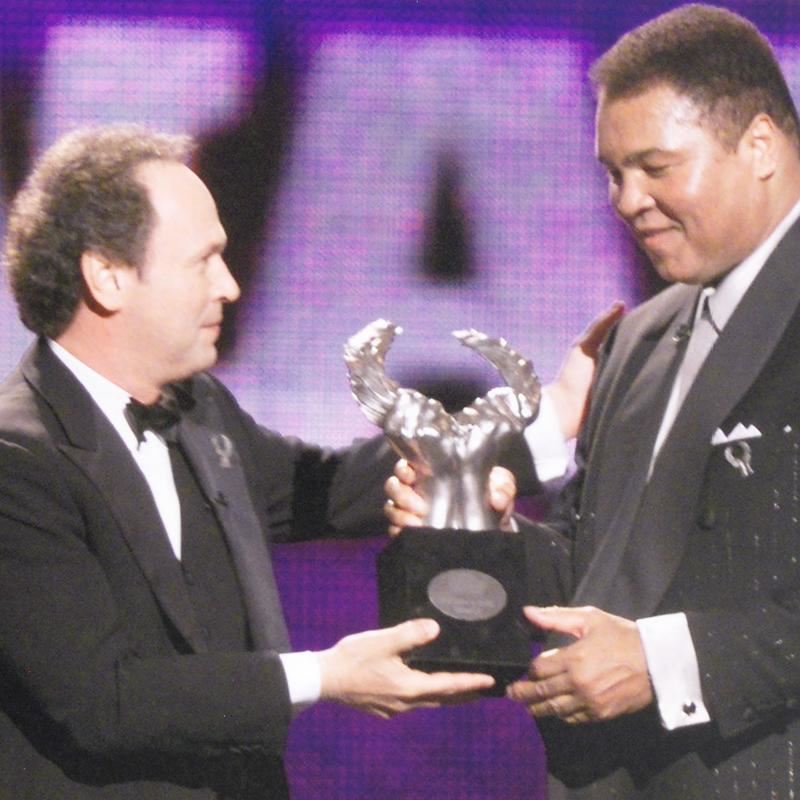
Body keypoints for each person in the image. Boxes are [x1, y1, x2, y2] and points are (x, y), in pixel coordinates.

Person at [0, 125, 506, 800]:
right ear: (108, 277)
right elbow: (104, 700)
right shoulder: (17, 459)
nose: (231, 286)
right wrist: (326, 675)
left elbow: (321, 487)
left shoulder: (199, 407)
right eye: (203, 261)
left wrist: (488, 444)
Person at [387, 4, 800, 797]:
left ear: (759, 146)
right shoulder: (638, 338)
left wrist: (668, 663)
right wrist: (485, 531)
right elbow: (592, 564)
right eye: (613, 173)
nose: (627, 199)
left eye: (656, 167)